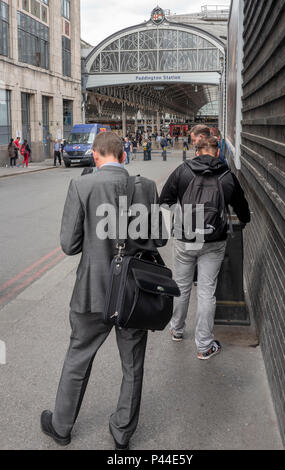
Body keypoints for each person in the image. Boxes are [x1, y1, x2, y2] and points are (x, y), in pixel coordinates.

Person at [40, 131, 166, 450]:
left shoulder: (82, 185)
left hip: (93, 292)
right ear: (123, 156)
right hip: (136, 293)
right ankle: (122, 434)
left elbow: (69, 245)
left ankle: (61, 427)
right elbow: (160, 239)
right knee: (133, 364)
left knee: (78, 357)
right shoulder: (147, 187)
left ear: (96, 156)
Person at [159, 137, 251, 360]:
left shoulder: (183, 171)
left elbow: (164, 200)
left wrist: (183, 216)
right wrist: (244, 220)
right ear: (217, 153)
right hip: (214, 240)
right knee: (206, 291)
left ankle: (177, 330)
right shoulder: (227, 176)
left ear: (197, 151)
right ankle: (204, 345)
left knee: (181, 286)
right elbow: (242, 206)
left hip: (185, 239)